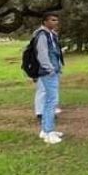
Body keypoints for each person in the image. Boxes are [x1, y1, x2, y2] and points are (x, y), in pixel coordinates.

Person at [33, 13, 64, 144]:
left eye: (57, 20)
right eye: (52, 20)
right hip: (48, 72)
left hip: (53, 70)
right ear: (45, 21)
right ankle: (49, 132)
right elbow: (42, 54)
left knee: (48, 101)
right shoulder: (42, 35)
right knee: (52, 101)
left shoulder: (51, 34)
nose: (55, 22)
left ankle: (45, 130)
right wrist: (50, 69)